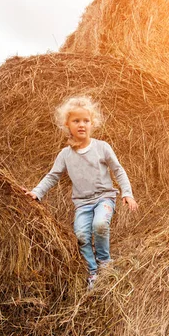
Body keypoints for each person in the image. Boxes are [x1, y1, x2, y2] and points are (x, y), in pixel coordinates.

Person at [25, 96, 139, 290]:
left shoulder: (102, 147)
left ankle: (105, 263)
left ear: (92, 123)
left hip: (104, 197)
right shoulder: (65, 155)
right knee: (81, 235)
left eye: (86, 121)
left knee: (100, 225)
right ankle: (92, 271)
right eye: (76, 121)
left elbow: (118, 170)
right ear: (67, 125)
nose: (81, 125)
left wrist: (127, 193)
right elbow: (52, 176)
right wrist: (37, 192)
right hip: (83, 204)